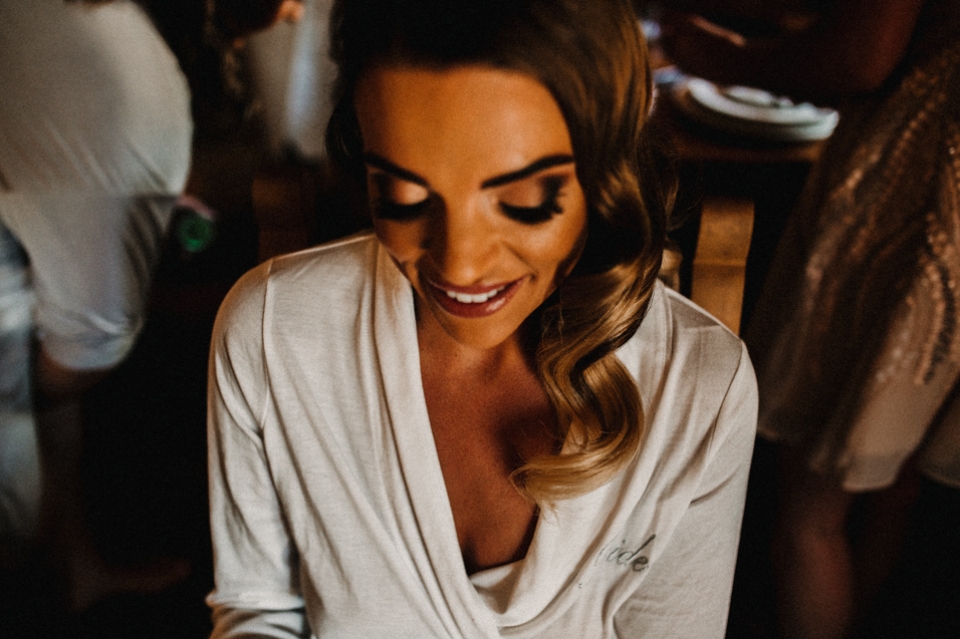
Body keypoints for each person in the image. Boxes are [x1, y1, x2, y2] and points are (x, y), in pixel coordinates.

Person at [206, 0, 758, 636]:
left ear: (607, 166)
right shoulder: (273, 333)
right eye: (403, 197)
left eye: (520, 201)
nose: (460, 265)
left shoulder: (702, 389)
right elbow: (260, 611)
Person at [661, 1, 960, 638]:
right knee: (892, 478)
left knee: (810, 510)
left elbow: (862, 56)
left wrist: (719, 56)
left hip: (929, 171)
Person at [0, 0, 302, 611]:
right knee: (12, 519)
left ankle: (72, 561)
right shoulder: (127, 99)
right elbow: (86, 350)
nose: (295, 12)